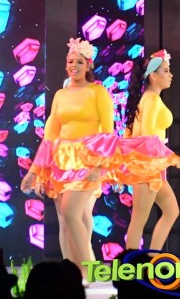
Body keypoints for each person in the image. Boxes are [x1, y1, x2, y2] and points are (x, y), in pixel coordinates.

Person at [21, 37, 119, 274]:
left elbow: (108, 132)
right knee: (66, 220)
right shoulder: (60, 95)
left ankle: (91, 269)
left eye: (79, 62)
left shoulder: (98, 92)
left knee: (71, 212)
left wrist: (100, 165)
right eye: (70, 61)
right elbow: (50, 136)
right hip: (61, 161)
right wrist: (34, 171)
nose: (74, 66)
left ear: (89, 65)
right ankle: (73, 273)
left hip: (88, 160)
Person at [118, 49, 180, 251]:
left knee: (171, 211)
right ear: (153, 76)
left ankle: (153, 258)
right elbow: (148, 137)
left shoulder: (147, 99)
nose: (170, 75)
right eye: (166, 71)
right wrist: (173, 158)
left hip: (150, 167)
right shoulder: (152, 99)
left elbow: (133, 135)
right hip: (147, 168)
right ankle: (130, 264)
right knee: (139, 219)